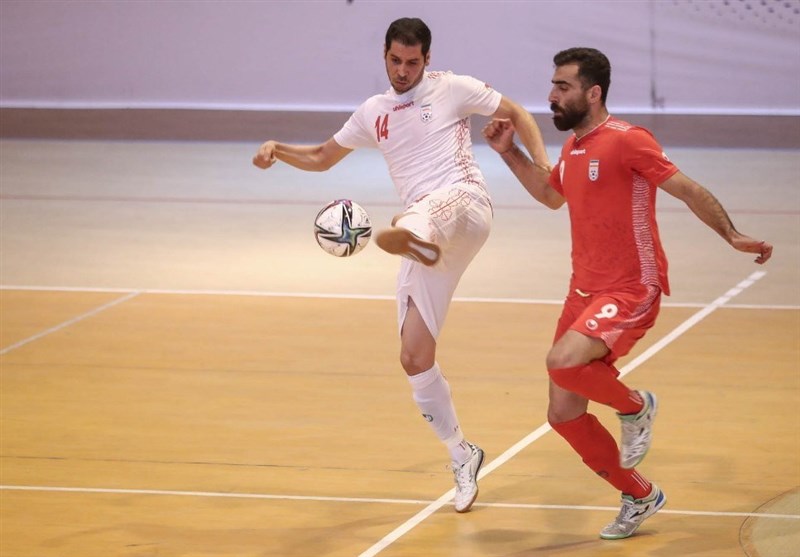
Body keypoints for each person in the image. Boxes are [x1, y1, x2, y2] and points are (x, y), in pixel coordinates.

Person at [253, 17, 550, 512]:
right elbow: (324, 157)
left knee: (415, 218)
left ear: (427, 60)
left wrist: (541, 164)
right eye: (396, 60)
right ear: (385, 57)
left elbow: (516, 111)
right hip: (429, 236)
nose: (403, 70)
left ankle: (409, 235)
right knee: (414, 357)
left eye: (413, 62)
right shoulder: (374, 112)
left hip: (465, 203)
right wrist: (277, 151)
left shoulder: (452, 88)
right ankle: (463, 453)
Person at [483, 47, 773, 538]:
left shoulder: (628, 140)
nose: (552, 96)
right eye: (553, 86)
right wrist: (510, 151)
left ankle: (635, 406)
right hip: (584, 289)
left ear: (593, 93)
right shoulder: (574, 149)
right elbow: (553, 196)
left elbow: (687, 189)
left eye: (563, 87)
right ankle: (640, 495)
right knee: (563, 413)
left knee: (562, 362)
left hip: (632, 284)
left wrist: (732, 235)